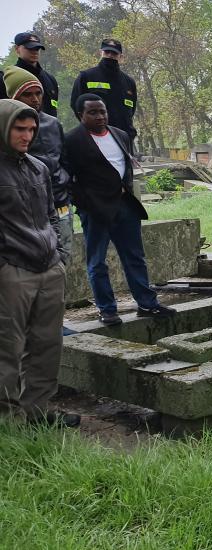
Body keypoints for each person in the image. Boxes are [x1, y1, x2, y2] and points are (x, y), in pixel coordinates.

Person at [0, 98, 79, 428]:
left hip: (48, 266)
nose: (27, 135)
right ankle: (7, 418)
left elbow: (50, 214)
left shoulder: (38, 167)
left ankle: (37, 409)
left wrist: (59, 255)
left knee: (48, 344)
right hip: (13, 267)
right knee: (7, 347)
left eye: (32, 129)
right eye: (20, 128)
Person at [63, 94, 175, 325]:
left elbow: (125, 167)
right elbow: (66, 177)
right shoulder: (72, 140)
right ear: (80, 115)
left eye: (102, 111)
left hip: (125, 207)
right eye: (92, 112)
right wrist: (84, 203)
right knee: (97, 261)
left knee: (135, 257)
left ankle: (147, 303)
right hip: (95, 210)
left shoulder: (120, 134)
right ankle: (107, 309)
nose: (100, 116)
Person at [5, 66, 72, 269]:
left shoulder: (53, 124)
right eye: (27, 94)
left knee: (64, 256)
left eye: (38, 93)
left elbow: (64, 160)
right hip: (27, 208)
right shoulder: (6, 129)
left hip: (60, 203)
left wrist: (66, 188)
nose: (35, 99)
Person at [70, 39, 138, 147]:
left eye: (114, 53)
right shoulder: (86, 76)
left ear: (121, 56)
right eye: (107, 52)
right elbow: (75, 104)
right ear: (100, 52)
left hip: (124, 141)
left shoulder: (129, 82)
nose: (110, 56)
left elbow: (131, 110)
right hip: (95, 140)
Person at [0, 32, 60, 118]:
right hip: (20, 129)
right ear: (17, 49)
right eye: (30, 48)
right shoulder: (5, 78)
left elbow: (53, 110)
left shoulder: (50, 79)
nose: (34, 52)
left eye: (37, 48)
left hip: (48, 129)